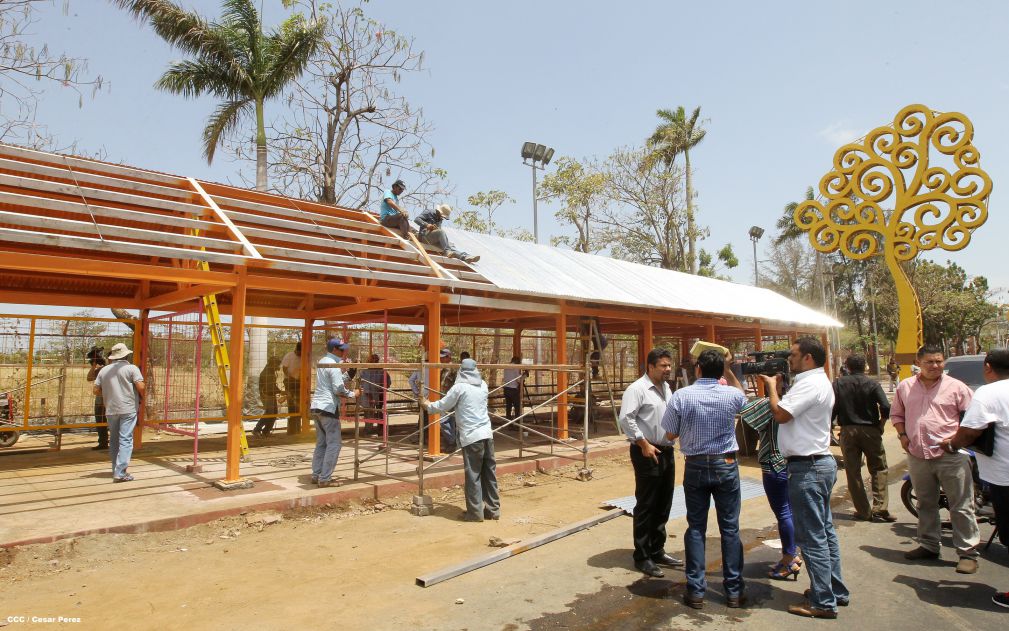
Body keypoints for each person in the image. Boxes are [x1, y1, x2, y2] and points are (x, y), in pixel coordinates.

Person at [759, 337, 849, 619]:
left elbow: (781, 414)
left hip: (808, 467)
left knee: (811, 538)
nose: (790, 359)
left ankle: (823, 602)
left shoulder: (810, 383)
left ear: (808, 357)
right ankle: (834, 589)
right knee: (824, 531)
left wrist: (772, 388)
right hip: (816, 463)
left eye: (794, 355)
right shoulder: (817, 381)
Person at [661, 349, 747, 610]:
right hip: (726, 464)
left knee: (696, 528)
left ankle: (696, 591)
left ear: (697, 369)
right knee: (730, 528)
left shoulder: (682, 395)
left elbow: (669, 435)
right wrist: (730, 370)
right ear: (721, 371)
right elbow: (746, 404)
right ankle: (733, 591)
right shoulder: (732, 394)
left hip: (696, 465)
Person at [891, 344, 978, 574]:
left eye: (939, 361)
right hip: (918, 455)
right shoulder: (905, 387)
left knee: (961, 505)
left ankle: (968, 553)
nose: (935, 366)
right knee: (926, 503)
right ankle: (929, 545)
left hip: (950, 455)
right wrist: (902, 436)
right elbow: (897, 414)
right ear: (918, 362)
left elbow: (973, 418)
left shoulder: (956, 387)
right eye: (929, 361)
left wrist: (956, 438)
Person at [942, 349, 1009, 609]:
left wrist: (950, 444)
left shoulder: (989, 392)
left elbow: (970, 430)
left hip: (1005, 477)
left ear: (988, 367)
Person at [618, 348, 683, 578]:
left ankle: (657, 549)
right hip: (646, 451)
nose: (667, 369)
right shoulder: (637, 389)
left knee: (664, 502)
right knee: (646, 503)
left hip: (666, 450)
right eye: (663, 366)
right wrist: (643, 443)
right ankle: (642, 556)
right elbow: (626, 418)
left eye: (669, 365)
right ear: (651, 366)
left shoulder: (666, 387)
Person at [740, 373, 802, 583]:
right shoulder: (799, 401)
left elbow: (742, 404)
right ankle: (793, 550)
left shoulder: (769, 406)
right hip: (794, 463)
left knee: (783, 512)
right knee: (791, 510)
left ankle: (789, 557)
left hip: (774, 464)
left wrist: (728, 369)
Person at [422, 358, 500, 522]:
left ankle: (474, 513)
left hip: (472, 437)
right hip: (487, 434)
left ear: (461, 371)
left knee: (473, 475)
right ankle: (493, 510)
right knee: (489, 473)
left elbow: (443, 405)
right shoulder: (483, 385)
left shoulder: (459, 388)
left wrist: (427, 405)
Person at [832, 355, 894, 522]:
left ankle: (863, 511)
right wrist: (881, 423)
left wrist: (832, 426)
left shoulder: (838, 383)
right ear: (865, 366)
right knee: (879, 468)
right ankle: (880, 508)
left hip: (847, 430)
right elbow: (886, 406)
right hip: (870, 430)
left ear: (847, 367)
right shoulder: (873, 383)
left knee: (853, 472)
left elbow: (833, 407)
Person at [309, 338, 358, 487]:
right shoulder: (334, 365)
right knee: (334, 444)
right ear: (336, 350)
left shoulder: (324, 361)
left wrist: (349, 374)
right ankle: (325, 478)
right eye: (342, 349)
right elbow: (338, 389)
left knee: (321, 443)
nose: (345, 352)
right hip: (329, 407)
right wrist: (352, 394)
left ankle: (316, 474)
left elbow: (333, 381)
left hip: (317, 406)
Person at [93, 343, 145, 483]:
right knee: (126, 439)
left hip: (111, 409)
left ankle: (115, 469)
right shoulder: (131, 368)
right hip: (128, 408)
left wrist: (109, 391)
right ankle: (121, 472)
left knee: (114, 440)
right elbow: (140, 386)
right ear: (127, 355)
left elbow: (96, 390)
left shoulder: (104, 370)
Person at [414, 204, 480, 263]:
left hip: (433, 238)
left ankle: (465, 257)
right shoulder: (429, 212)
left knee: (450, 245)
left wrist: (435, 229)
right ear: (438, 211)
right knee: (441, 233)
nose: (442, 218)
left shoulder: (440, 219)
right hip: (424, 237)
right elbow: (417, 219)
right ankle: (447, 251)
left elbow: (438, 232)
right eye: (442, 216)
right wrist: (427, 225)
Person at [253, 356, 283, 438]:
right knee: (269, 413)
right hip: (266, 395)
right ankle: (257, 429)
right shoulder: (267, 373)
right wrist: (281, 392)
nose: (278, 366)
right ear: (273, 364)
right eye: (277, 364)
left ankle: (266, 431)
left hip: (270, 394)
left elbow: (273, 386)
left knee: (274, 413)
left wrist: (280, 391)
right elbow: (270, 387)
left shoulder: (271, 371)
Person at [86, 346, 108, 450]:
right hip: (103, 398)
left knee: (102, 420)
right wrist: (94, 367)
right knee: (101, 421)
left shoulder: (104, 370)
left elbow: (89, 378)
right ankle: (103, 442)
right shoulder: (100, 370)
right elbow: (89, 378)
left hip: (106, 399)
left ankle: (104, 442)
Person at [281, 342, 303, 433]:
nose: (300, 355)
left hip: (299, 382)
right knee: (291, 405)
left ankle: (298, 428)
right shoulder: (289, 356)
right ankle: (292, 429)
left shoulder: (304, 356)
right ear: (296, 350)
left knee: (299, 405)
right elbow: (284, 368)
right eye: (299, 353)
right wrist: (290, 377)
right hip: (289, 382)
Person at [503, 356, 526, 421]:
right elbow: (518, 380)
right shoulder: (515, 367)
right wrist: (524, 375)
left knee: (508, 407)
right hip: (513, 389)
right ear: (517, 362)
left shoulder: (506, 367)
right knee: (517, 407)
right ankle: (517, 423)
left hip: (506, 388)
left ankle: (509, 423)